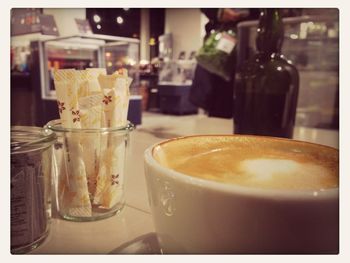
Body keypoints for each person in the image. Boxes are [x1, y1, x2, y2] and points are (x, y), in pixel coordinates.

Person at [190, 8, 259, 118]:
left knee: (252, 102)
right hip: (223, 47)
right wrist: (219, 12)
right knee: (220, 101)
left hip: (254, 39)